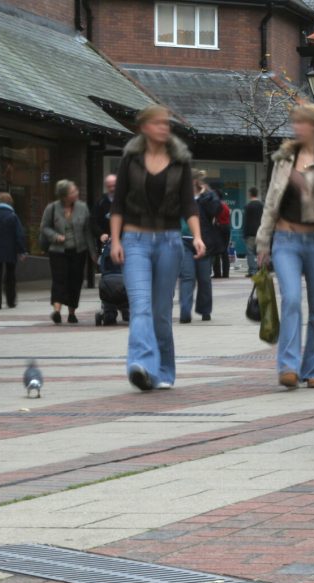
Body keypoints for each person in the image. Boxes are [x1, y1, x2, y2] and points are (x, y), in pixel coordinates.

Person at [109, 105, 205, 391]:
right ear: (144, 127)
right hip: (134, 240)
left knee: (161, 312)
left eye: (167, 123)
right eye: (159, 123)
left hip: (169, 241)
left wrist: (197, 236)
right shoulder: (131, 159)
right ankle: (142, 366)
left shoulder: (180, 160)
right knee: (140, 307)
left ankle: (163, 370)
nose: (165, 127)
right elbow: (118, 204)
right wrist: (115, 241)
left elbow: (189, 204)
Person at [256, 104, 314, 390]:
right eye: (295, 122)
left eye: (303, 123)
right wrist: (263, 242)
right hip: (286, 239)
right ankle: (288, 366)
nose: (297, 127)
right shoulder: (285, 158)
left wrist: (307, 184)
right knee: (291, 299)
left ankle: (313, 368)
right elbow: (271, 202)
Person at [41, 180, 97, 325]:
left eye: (76, 190)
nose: (76, 193)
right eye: (73, 192)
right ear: (64, 196)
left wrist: (93, 252)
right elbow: (44, 227)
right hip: (58, 251)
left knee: (75, 281)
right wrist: (55, 236)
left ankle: (72, 313)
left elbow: (87, 231)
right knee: (59, 280)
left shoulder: (83, 207)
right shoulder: (52, 208)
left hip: (79, 251)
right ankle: (57, 312)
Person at [193, 172, 222, 314]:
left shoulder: (210, 196)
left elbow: (215, 210)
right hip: (186, 241)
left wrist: (204, 195)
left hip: (205, 241)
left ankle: (204, 310)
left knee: (204, 278)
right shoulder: (183, 195)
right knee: (188, 277)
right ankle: (185, 311)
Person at [96, 240, 129, 326]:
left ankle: (109, 314)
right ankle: (126, 312)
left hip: (108, 283)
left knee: (109, 312)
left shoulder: (107, 248)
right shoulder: (128, 248)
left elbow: (101, 266)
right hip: (124, 285)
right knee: (127, 303)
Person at [243, 187, 263, 276]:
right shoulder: (262, 205)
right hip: (261, 232)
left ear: (250, 194)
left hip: (250, 232)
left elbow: (246, 221)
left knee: (250, 252)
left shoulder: (248, 206)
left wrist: (244, 233)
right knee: (260, 252)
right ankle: (261, 269)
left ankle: (252, 271)